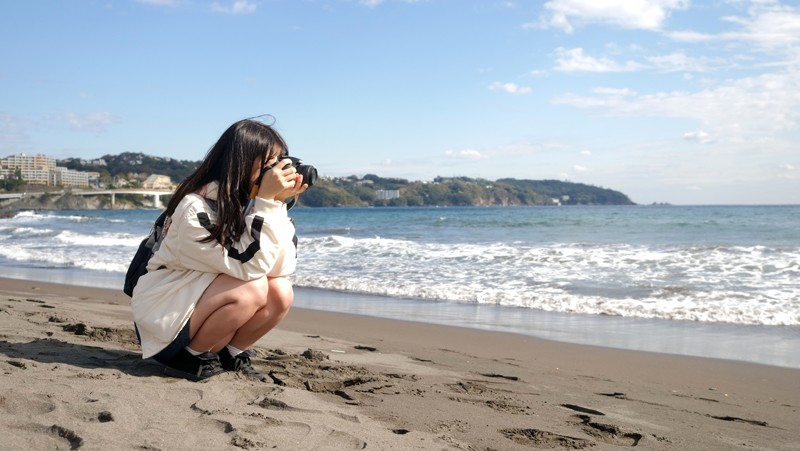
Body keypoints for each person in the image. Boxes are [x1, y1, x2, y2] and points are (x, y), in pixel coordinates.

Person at [130, 118, 307, 382]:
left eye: (281, 162)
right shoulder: (195, 207)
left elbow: (280, 267)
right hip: (166, 319)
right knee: (253, 287)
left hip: (198, 302)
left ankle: (230, 354)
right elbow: (249, 266)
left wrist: (277, 204)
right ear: (241, 161)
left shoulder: (248, 204)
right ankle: (190, 357)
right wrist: (267, 202)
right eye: (270, 163)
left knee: (281, 291)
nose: (277, 171)